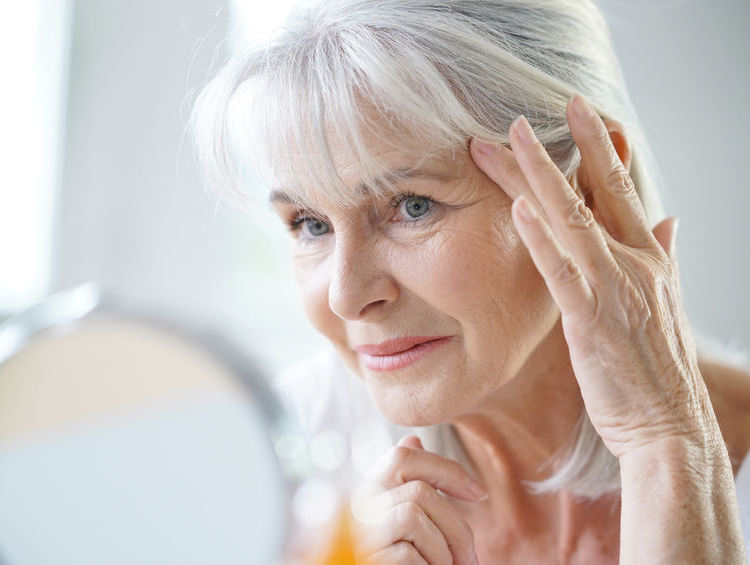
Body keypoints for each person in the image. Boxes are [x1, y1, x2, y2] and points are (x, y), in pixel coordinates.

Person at [191, 0, 750, 562]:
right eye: (310, 225)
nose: (347, 296)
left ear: (586, 189)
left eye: (412, 206)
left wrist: (668, 446)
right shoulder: (289, 459)